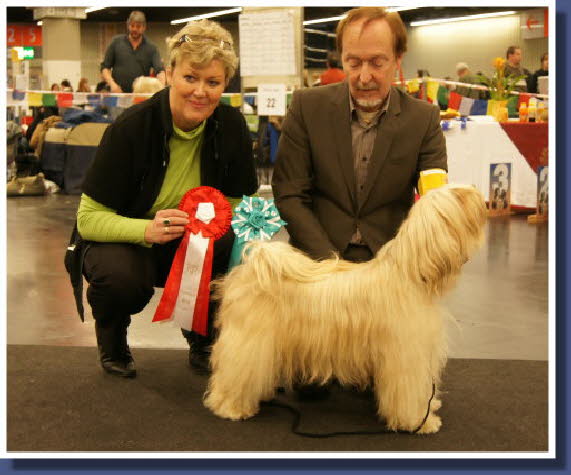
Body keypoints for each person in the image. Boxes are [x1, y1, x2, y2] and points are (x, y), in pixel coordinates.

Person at [65, 19, 258, 379]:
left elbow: (239, 205)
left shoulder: (232, 127)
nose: (200, 92)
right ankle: (112, 337)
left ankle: (204, 337)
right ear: (169, 73)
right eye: (190, 78)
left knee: (230, 244)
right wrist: (146, 230)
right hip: (129, 240)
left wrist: (214, 226)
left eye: (212, 82)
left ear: (225, 85)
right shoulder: (130, 128)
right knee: (119, 277)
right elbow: (87, 220)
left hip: (191, 242)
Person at [272, 6, 447, 399]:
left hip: (388, 272)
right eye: (354, 62)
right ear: (341, 59)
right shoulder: (306, 106)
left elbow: (435, 201)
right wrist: (328, 266)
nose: (364, 76)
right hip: (318, 268)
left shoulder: (424, 118)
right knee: (311, 390)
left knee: (387, 385)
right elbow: (290, 193)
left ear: (398, 60)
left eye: (377, 62)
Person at [100, 11, 165, 93]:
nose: (134, 29)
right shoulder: (116, 42)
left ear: (144, 27)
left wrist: (162, 89)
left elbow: (160, 71)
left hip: (140, 95)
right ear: (128, 25)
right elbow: (105, 67)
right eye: (132, 26)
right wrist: (112, 84)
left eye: (138, 26)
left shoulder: (152, 48)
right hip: (118, 94)